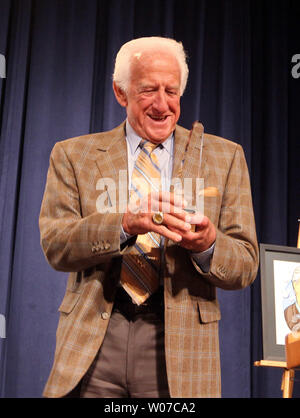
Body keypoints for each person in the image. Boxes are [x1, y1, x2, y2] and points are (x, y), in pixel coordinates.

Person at [39, 36, 259, 398]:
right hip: (95, 343)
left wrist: (208, 245)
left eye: (171, 91)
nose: (162, 104)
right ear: (120, 92)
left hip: (179, 350)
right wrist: (123, 224)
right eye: (148, 90)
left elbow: (246, 265)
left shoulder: (225, 157)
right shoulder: (72, 155)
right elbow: (56, 245)